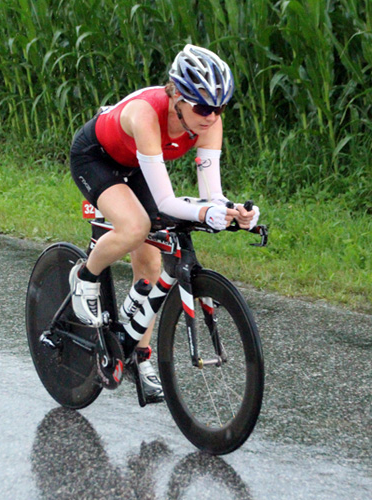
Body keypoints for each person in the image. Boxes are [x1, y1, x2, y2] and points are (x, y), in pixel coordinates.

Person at [69, 44, 259, 403]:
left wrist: (234, 212)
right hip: (94, 158)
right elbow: (170, 202)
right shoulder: (145, 114)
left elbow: (211, 194)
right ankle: (84, 277)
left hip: (137, 164)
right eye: (203, 107)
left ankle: (140, 355)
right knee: (136, 227)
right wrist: (204, 212)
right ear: (177, 97)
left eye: (219, 108)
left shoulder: (209, 124)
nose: (211, 116)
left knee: (152, 263)